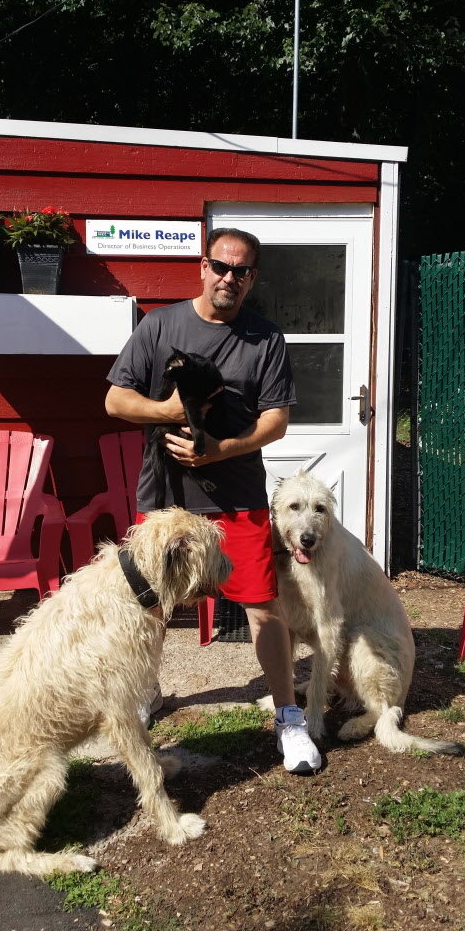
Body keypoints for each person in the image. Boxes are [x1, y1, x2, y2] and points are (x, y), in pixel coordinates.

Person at [105, 228, 321, 774]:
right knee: (150, 605)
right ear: (203, 267)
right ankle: (146, 692)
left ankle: (289, 718)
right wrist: (169, 412)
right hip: (165, 497)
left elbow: (276, 420)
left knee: (263, 608)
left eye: (241, 270)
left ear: (252, 278)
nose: (229, 278)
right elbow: (116, 400)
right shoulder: (159, 326)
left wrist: (219, 450)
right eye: (221, 266)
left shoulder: (265, 338)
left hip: (237, 497)